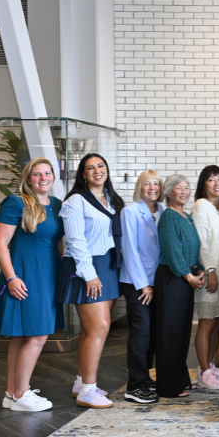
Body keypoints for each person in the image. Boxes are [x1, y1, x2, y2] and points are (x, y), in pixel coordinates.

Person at [0, 158, 64, 412]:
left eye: (47, 173)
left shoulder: (56, 205)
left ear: (53, 177)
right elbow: (0, 243)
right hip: (25, 274)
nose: (43, 178)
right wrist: (11, 278)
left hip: (49, 274)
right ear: (28, 178)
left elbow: (58, 242)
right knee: (37, 335)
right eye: (37, 174)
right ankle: (22, 393)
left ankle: (12, 394)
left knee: (23, 336)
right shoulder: (16, 202)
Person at [57, 153, 125, 409]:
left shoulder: (112, 200)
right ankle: (88, 390)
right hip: (87, 267)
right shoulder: (76, 201)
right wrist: (89, 274)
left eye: (101, 166)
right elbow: (74, 241)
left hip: (108, 265)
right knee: (99, 328)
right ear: (83, 175)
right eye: (90, 168)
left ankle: (80, 382)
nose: (97, 171)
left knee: (90, 329)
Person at [155, 174, 206, 398]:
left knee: (182, 332)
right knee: (170, 333)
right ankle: (167, 386)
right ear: (168, 193)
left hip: (185, 278)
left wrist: (200, 269)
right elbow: (174, 250)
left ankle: (181, 378)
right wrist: (188, 275)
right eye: (179, 188)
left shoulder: (186, 216)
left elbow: (194, 246)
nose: (184, 192)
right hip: (172, 278)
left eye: (187, 188)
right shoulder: (168, 217)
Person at [119, 169, 165, 404]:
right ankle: (134, 385)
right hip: (137, 282)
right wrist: (143, 284)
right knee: (141, 330)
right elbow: (129, 249)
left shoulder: (165, 211)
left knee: (154, 332)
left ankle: (145, 378)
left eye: (156, 183)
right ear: (140, 187)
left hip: (160, 283)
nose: (152, 188)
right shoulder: (129, 211)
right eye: (147, 184)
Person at [192, 165, 219, 390]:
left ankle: (210, 365)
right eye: (211, 180)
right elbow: (201, 242)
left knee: (218, 322)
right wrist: (210, 271)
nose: (217, 184)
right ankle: (203, 370)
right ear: (203, 184)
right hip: (211, 274)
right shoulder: (201, 206)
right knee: (206, 323)